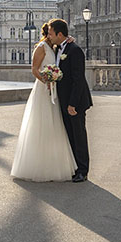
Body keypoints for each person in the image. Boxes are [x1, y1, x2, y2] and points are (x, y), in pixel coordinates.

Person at [10, 24, 77, 182]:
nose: (52, 35)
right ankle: (40, 165)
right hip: (43, 90)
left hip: (53, 90)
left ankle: (55, 163)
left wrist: (70, 39)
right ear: (47, 33)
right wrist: (46, 80)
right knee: (42, 125)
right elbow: (34, 69)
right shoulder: (41, 47)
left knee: (55, 126)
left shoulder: (54, 47)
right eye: (50, 33)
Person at [48, 18, 92, 182]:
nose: (49, 36)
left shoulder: (75, 50)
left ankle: (83, 170)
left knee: (79, 135)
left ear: (60, 34)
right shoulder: (57, 48)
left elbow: (78, 79)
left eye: (52, 34)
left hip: (76, 102)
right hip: (64, 100)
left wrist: (72, 104)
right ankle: (75, 167)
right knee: (70, 135)